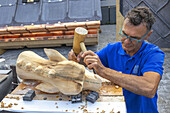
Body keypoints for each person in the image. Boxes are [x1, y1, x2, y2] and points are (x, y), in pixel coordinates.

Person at [68, 6, 165, 113]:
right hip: (116, 109)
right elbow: (92, 61)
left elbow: (149, 88)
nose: (127, 41)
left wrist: (104, 71)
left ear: (148, 35)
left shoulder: (153, 54)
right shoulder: (112, 49)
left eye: (134, 38)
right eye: (124, 34)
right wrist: (79, 58)